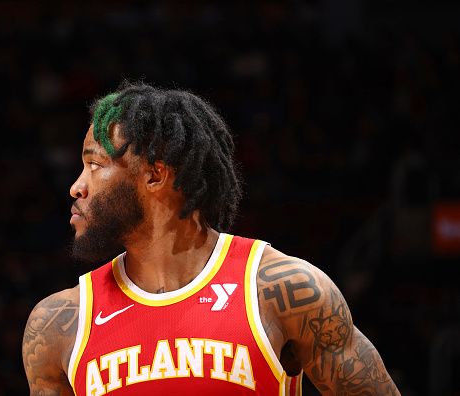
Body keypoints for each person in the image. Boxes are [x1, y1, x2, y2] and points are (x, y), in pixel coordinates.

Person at [22, 82, 400, 395]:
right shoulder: (58, 324)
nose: (76, 186)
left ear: (155, 176)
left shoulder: (282, 290)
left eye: (95, 165)